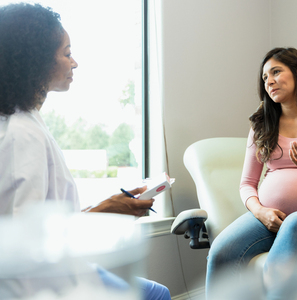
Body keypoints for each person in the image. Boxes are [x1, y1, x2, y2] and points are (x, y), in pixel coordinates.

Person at [0, 3, 170, 300]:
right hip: (42, 284)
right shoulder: (21, 134)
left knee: (157, 292)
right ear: (36, 60)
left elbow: (44, 221)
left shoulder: (28, 121)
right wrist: (105, 212)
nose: (74, 62)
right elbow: (24, 242)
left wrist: (109, 206)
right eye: (66, 53)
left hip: (56, 268)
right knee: (156, 295)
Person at [205, 48, 297, 299]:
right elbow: (247, 184)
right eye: (265, 78)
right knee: (222, 250)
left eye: (276, 72)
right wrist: (260, 212)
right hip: (269, 219)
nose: (269, 81)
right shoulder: (262, 126)